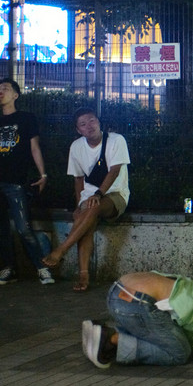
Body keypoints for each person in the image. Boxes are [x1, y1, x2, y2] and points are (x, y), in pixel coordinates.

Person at [0, 79, 54, 285]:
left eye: (6, 88)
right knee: (2, 229)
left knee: (23, 228)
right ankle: (8, 269)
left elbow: (34, 147)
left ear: (16, 95)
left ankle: (41, 268)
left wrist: (43, 175)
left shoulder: (26, 118)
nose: (1, 91)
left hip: (15, 181)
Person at [42, 107, 130, 292]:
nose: (89, 126)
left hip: (114, 194)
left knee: (93, 207)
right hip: (89, 196)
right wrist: (78, 206)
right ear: (78, 130)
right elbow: (78, 179)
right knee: (85, 217)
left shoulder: (116, 140)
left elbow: (114, 171)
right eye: (83, 124)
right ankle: (83, 275)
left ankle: (61, 250)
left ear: (99, 122)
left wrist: (98, 195)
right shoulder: (76, 147)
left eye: (91, 121)